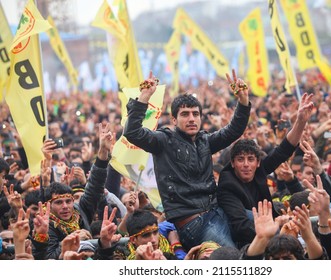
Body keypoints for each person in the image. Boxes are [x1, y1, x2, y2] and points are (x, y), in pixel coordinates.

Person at [123, 70, 250, 250]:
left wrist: (243, 101)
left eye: (195, 114)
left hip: (218, 212)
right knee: (231, 259)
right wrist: (144, 97)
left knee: (269, 229)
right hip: (194, 223)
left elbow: (233, 131)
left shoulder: (204, 141)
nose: (191, 119)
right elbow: (133, 133)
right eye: (185, 114)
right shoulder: (163, 141)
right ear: (174, 119)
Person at [217, 93, 314, 247]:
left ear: (258, 163)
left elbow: (283, 150)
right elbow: (241, 227)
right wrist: (277, 232)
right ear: (233, 163)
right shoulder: (228, 186)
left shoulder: (259, 170)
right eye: (240, 159)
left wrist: (300, 121)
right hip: (248, 242)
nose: (246, 164)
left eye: (250, 159)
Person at [32, 123, 113, 260]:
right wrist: (74, 239)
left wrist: (103, 152)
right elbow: (46, 258)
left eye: (68, 201)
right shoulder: (45, 224)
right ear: (49, 206)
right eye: (59, 202)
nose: (65, 206)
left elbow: (95, 185)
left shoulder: (80, 211)